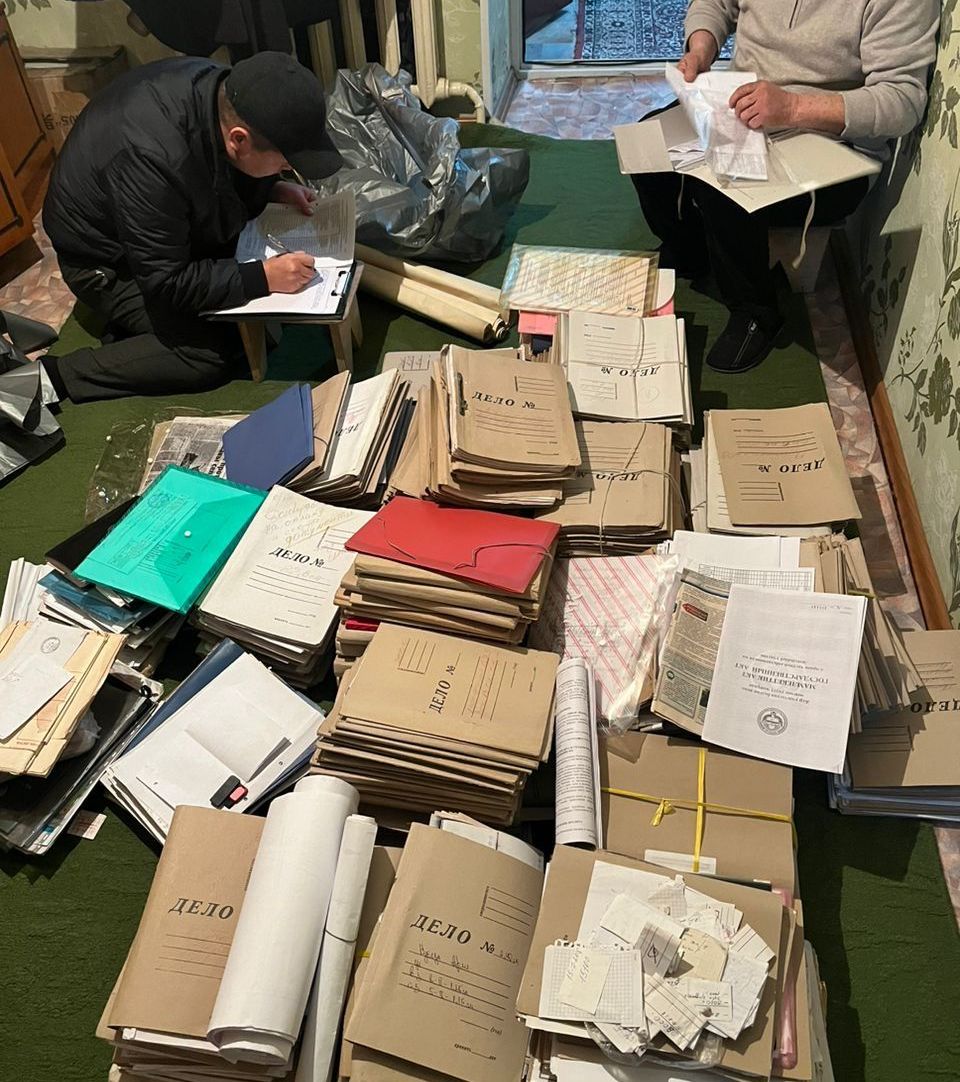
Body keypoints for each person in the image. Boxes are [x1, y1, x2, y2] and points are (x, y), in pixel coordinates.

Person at [633, 0, 939, 374]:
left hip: (834, 145)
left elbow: (902, 101)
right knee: (647, 144)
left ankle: (756, 312)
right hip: (743, 107)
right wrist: (700, 48)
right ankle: (689, 250)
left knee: (722, 187)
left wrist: (792, 107)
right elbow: (716, 4)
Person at [38, 51, 344, 403]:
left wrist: (273, 187)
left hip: (155, 227)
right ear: (239, 139)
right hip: (106, 263)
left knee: (243, 305)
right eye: (285, 164)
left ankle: (140, 326)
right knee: (209, 353)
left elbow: (220, 164)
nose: (287, 169)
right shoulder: (152, 160)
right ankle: (60, 375)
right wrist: (263, 278)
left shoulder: (225, 90)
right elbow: (166, 281)